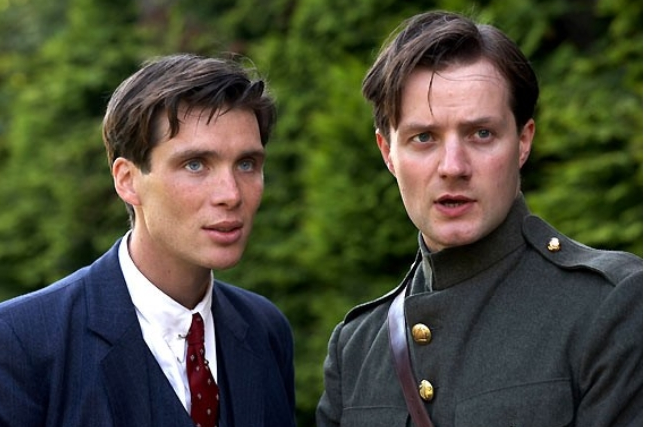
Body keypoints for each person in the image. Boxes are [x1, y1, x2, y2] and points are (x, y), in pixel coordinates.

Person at [316, 10, 642, 427]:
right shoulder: (356, 349)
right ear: (387, 153)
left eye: (481, 134)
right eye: (423, 138)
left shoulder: (613, 306)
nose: (453, 166)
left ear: (523, 142)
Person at [0, 53, 296, 427]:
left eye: (246, 164)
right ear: (127, 180)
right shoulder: (20, 340)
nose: (231, 194)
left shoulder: (266, 329)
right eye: (195, 164)